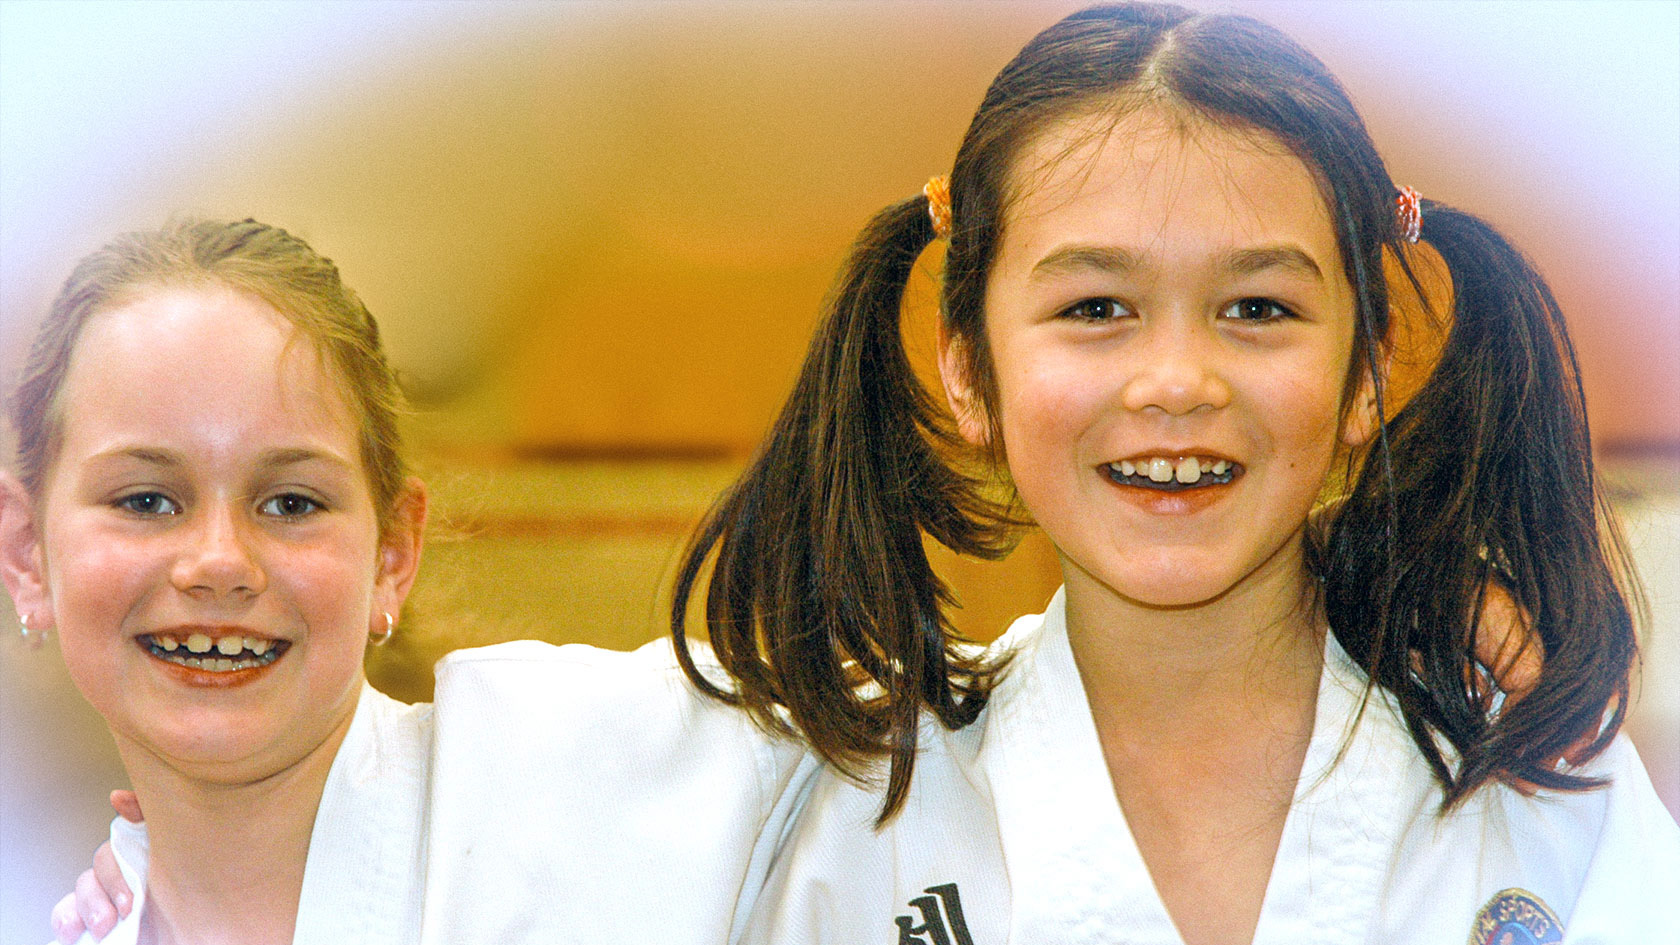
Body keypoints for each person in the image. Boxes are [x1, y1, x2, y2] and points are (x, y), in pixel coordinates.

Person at [665, 3, 1680, 942]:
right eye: (1096, 308)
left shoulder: (1537, 784)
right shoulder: (827, 798)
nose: (1178, 383)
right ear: (970, 370)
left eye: (1258, 309)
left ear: (1367, 370)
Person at [1, 219, 806, 945]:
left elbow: (905, 724)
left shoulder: (569, 771)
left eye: (290, 501)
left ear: (392, 553)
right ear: (26, 552)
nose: (217, 561)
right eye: (145, 499)